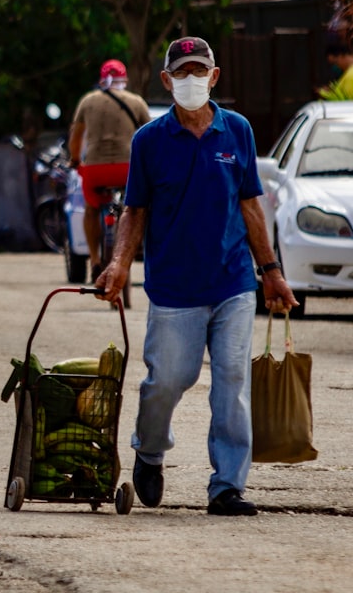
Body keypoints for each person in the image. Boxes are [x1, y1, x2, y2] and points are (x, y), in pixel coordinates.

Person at [95, 36, 298, 517]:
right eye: (181, 73)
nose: (191, 80)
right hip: (174, 287)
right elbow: (135, 210)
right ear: (166, 81)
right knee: (169, 380)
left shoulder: (238, 132)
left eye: (198, 71)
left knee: (232, 381)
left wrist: (270, 272)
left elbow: (250, 203)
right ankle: (149, 449)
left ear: (215, 76)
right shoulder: (149, 141)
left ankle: (227, 485)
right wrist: (119, 263)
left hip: (232, 283)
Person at [68, 59, 151, 282]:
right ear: (125, 79)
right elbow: (150, 135)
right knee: (139, 208)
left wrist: (75, 160)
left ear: (101, 80)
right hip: (128, 168)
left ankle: (95, 260)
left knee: (92, 209)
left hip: (96, 168)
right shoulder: (136, 101)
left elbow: (76, 136)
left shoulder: (88, 101)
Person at [319, 36, 353, 101]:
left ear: (341, 56)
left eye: (335, 62)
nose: (335, 66)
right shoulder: (348, 74)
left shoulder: (350, 75)